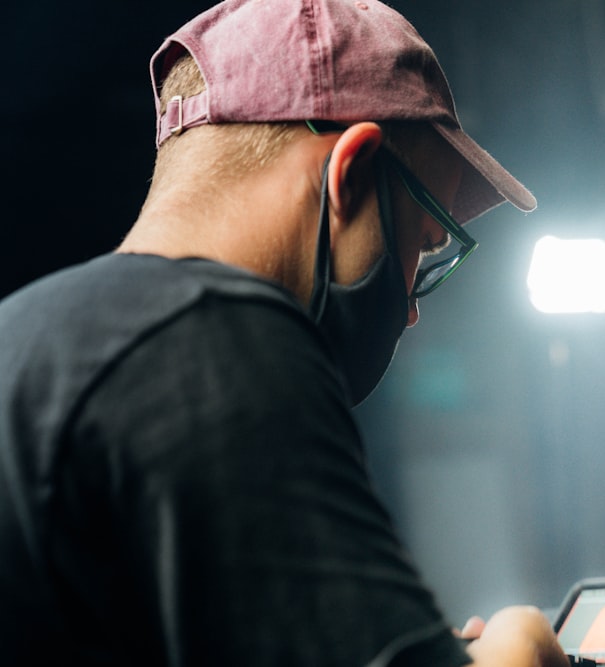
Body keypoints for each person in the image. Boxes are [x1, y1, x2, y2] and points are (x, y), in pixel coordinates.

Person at [0, 0, 568, 665]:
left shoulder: (29, 341)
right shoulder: (212, 341)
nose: (411, 308)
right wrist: (520, 646)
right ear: (351, 177)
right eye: (421, 241)